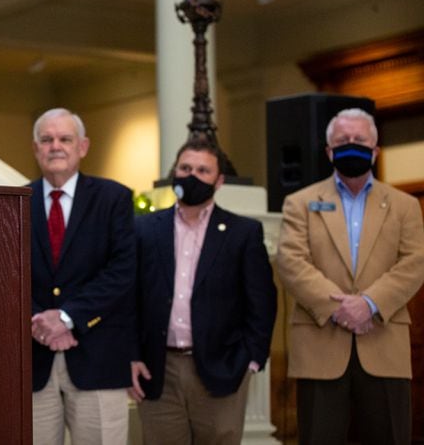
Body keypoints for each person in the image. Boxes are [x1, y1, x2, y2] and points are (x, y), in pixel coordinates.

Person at [276, 108, 424, 444]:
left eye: (360, 140)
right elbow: (291, 261)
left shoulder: (404, 205)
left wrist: (370, 303)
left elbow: (415, 261)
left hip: (384, 342)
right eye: (343, 141)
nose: (351, 145)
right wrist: (342, 309)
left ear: (375, 150)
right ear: (329, 152)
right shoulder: (300, 203)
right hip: (319, 345)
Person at [129, 139, 277, 444]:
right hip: (159, 371)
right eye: (185, 168)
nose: (191, 176)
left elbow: (261, 301)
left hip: (222, 369)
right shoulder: (143, 229)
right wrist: (130, 356)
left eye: (202, 170)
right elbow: (129, 298)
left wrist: (251, 359)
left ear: (219, 181)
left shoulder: (242, 233)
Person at [29, 107, 136, 445]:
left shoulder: (114, 198)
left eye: (65, 139)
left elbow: (121, 272)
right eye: (46, 139)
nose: (55, 146)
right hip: (33, 360)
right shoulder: (17, 201)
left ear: (83, 146)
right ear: (36, 148)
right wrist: (38, 321)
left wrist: (66, 317)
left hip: (98, 357)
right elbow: (6, 275)